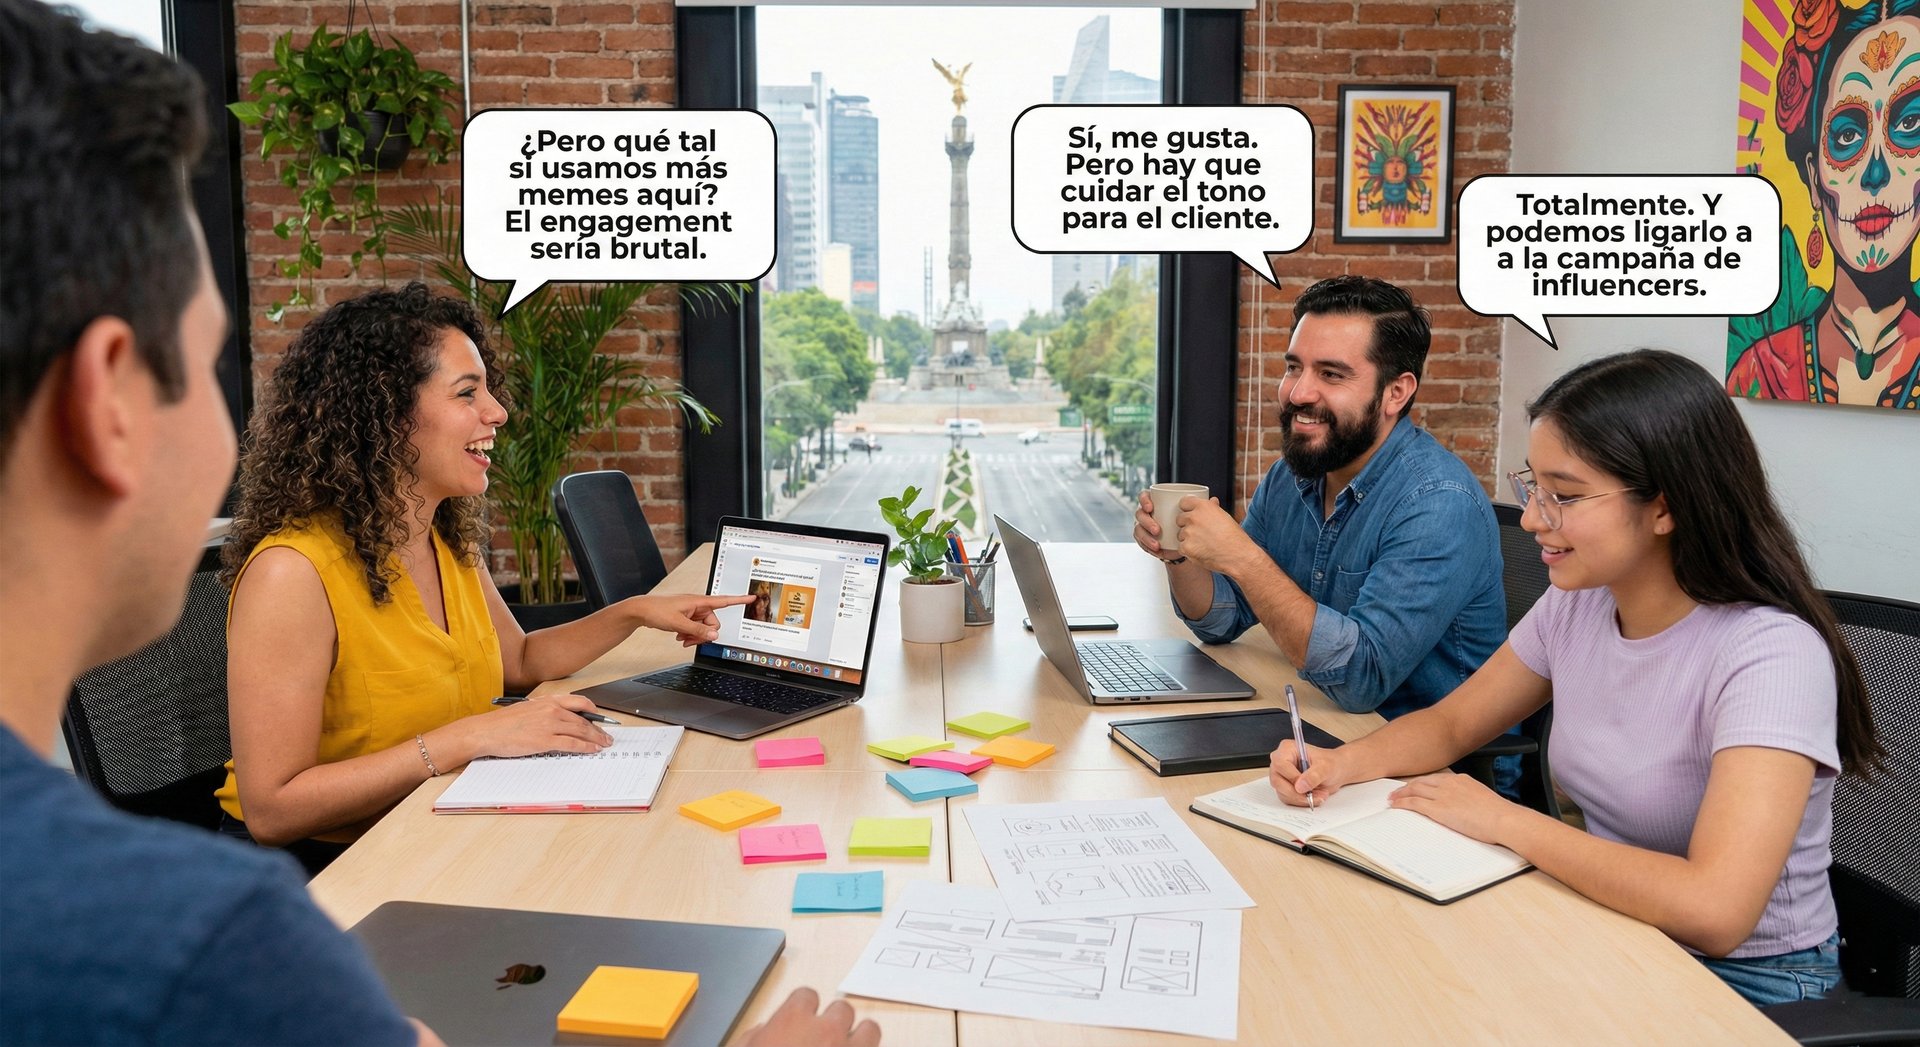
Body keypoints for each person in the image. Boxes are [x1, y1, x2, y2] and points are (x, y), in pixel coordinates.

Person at [1271, 349, 1882, 1007]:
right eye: (1534, 487)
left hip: (1750, 983)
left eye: (1563, 495)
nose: (1533, 518)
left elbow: (1715, 910)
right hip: (1616, 928)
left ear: (1665, 507)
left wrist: (1506, 821)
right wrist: (1340, 765)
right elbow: (1452, 723)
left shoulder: (1771, 656)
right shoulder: (1580, 603)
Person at [216, 283, 750, 869]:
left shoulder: (444, 538)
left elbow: (518, 660)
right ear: (382, 412)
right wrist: (469, 737)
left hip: (432, 824)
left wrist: (635, 611)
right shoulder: (291, 573)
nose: (497, 412)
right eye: (467, 393)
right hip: (324, 867)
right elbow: (273, 810)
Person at [1134, 276, 1505, 724]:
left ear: (1396, 392)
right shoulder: (1291, 477)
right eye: (1294, 367)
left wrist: (1243, 558)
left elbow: (1361, 679)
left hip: (1426, 753)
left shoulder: (1438, 504)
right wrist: (1180, 556)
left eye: (1330, 374)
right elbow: (1221, 619)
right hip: (1321, 723)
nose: (1298, 393)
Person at [1730, 0, 1920, 408]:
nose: (1875, 173)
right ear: (1815, 178)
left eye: (1909, 124)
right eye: (1848, 135)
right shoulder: (1759, 372)